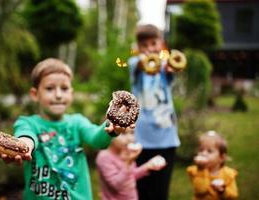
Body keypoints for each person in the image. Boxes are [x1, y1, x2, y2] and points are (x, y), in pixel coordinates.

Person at [0, 58, 134, 200]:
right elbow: (27, 136)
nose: (58, 95)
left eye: (64, 88)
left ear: (71, 94)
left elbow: (97, 140)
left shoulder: (77, 122)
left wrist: (112, 126)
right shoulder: (28, 123)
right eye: (49, 88)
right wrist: (24, 146)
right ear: (35, 94)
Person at [127, 24, 180, 200]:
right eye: (144, 45)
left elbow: (172, 68)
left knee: (161, 190)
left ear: (161, 44)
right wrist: (145, 58)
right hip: (140, 138)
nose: (150, 49)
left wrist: (171, 66)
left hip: (166, 139)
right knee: (141, 189)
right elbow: (140, 64)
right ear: (138, 47)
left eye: (153, 43)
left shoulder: (166, 67)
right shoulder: (135, 63)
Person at [96, 128, 166, 200]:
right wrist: (128, 163)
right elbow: (116, 186)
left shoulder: (126, 152)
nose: (130, 138)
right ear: (108, 134)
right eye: (123, 133)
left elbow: (130, 176)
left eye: (132, 133)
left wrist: (147, 166)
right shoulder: (104, 157)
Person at [187, 131, 238, 200]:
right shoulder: (195, 171)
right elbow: (200, 191)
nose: (203, 153)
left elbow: (233, 196)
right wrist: (201, 170)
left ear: (221, 158)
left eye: (209, 151)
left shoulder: (228, 174)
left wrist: (222, 192)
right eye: (201, 150)